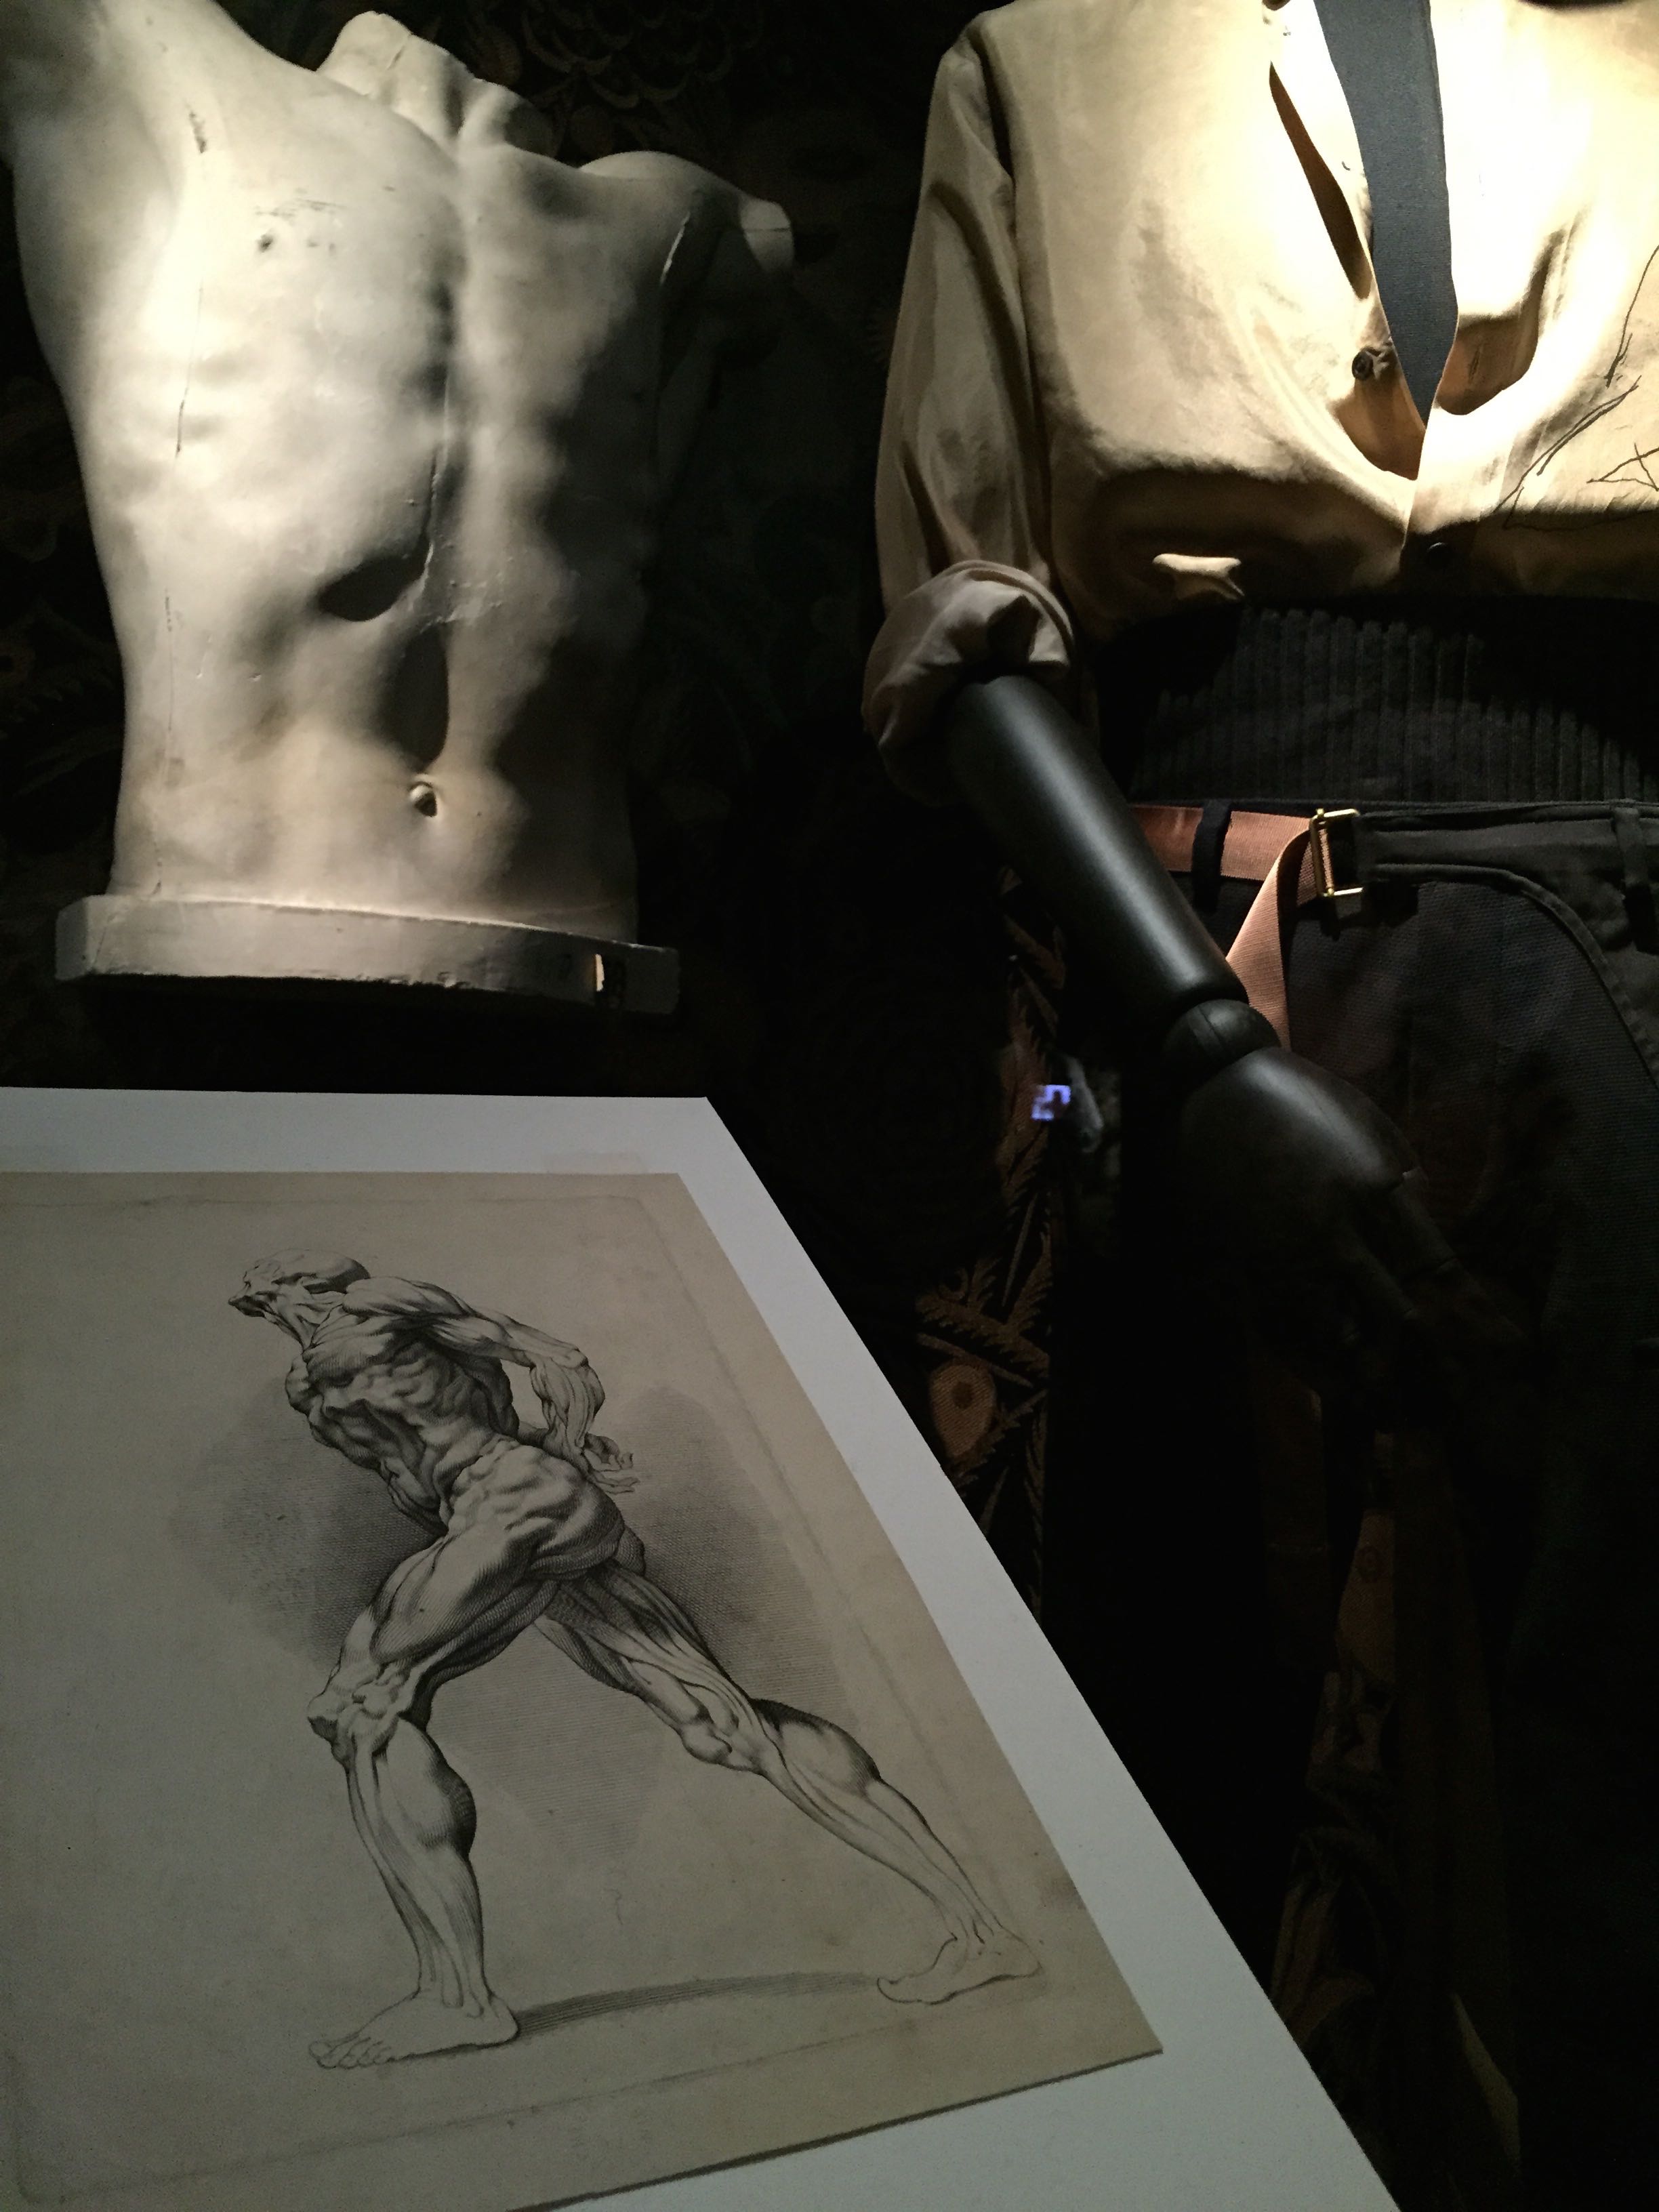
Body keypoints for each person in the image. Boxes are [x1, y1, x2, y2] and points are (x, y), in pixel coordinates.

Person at [865, 1, 1659, 2203]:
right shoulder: (1047, 63)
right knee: (1197, 1686)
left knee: (1610, 1764)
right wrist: (1196, 1045)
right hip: (1203, 961)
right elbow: (967, 626)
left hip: (1620, 977)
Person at [0, 0, 787, 988]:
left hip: (565, 925)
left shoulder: (662, 219)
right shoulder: (172, 73)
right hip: (230, 905)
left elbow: (769, 248)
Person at [231, 1250, 1033, 2069]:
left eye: (270, 1290)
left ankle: (457, 2000)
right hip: (497, 1518)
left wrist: (571, 1447)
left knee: (365, 1701)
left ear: (307, 1284)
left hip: (515, 1503)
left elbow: (555, 1359)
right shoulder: (311, 1375)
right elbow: (431, 1451)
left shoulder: (383, 1309)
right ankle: (983, 1931)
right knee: (723, 1726)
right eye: (257, 1301)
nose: (261, 1304)